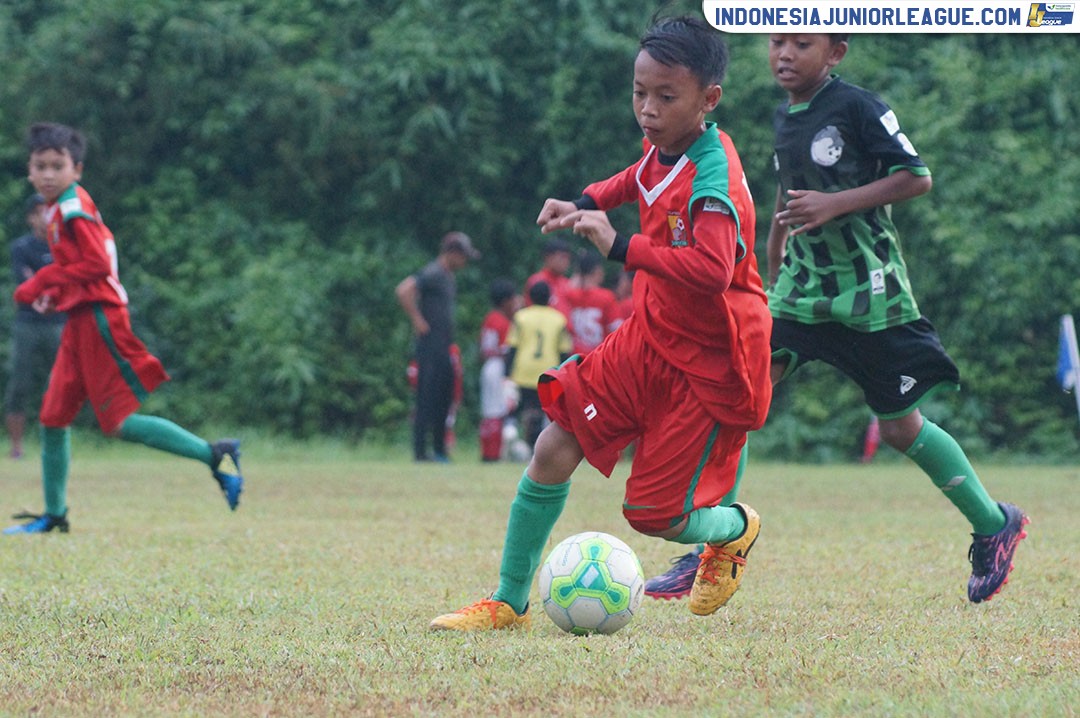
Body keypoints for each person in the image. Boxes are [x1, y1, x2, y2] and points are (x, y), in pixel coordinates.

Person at [646, 33, 1028, 605]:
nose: (784, 55)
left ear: (836, 53)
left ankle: (994, 522)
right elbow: (788, 198)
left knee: (901, 428)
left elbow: (915, 177)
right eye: (777, 42)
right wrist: (775, 258)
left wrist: (836, 203)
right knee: (737, 395)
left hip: (869, 295)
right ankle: (716, 541)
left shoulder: (859, 107)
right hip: (801, 291)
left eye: (801, 44)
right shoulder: (786, 117)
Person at [430, 15, 772, 631]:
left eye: (666, 97)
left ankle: (735, 529)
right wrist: (584, 201)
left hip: (706, 364)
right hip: (647, 339)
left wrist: (619, 247)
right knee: (553, 446)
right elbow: (636, 175)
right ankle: (509, 602)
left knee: (654, 516)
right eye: (640, 92)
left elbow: (713, 270)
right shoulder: (665, 148)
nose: (648, 108)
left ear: (709, 100)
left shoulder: (713, 179)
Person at [3, 122, 244, 535]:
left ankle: (215, 454)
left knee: (116, 423)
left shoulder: (73, 208)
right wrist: (54, 289)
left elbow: (96, 265)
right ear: (28, 169)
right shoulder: (57, 208)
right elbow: (81, 268)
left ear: (76, 169)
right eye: (39, 165)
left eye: (56, 166)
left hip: (99, 317)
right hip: (79, 320)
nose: (46, 174)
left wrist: (42, 282)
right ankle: (55, 515)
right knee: (54, 416)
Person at [395, 231, 480, 462]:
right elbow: (404, 290)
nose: (464, 263)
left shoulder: (447, 276)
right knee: (426, 398)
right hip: (430, 347)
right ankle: (421, 452)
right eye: (463, 257)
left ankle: (440, 451)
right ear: (452, 253)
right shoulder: (432, 272)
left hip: (444, 347)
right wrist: (417, 319)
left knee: (444, 398)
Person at [5, 193, 65, 459]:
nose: (46, 217)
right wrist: (47, 290)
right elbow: (29, 284)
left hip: (58, 322)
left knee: (63, 382)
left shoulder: (63, 246)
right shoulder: (21, 247)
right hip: (28, 322)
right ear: (30, 217)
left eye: (50, 211)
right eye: (40, 212)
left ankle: (59, 445)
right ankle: (16, 447)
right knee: (20, 382)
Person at [505, 280, 572, 451]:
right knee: (542, 411)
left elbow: (512, 347)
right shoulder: (559, 319)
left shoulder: (521, 317)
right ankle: (536, 447)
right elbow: (564, 352)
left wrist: (507, 374)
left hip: (523, 371)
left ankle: (513, 443)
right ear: (550, 297)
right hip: (548, 372)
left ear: (530, 297)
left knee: (519, 410)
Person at [479, 278, 520, 462]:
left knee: (488, 410)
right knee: (498, 410)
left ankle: (487, 451)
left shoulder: (489, 318)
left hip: (487, 365)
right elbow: (506, 352)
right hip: (498, 366)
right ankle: (494, 454)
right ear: (505, 302)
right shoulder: (504, 322)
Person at [563, 250, 618, 356]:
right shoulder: (606, 296)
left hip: (573, 358)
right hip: (598, 356)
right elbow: (615, 328)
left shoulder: (569, 295)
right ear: (597, 270)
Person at [523, 237, 572, 314]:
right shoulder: (536, 281)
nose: (566, 262)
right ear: (548, 257)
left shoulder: (567, 283)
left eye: (568, 258)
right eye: (562, 257)